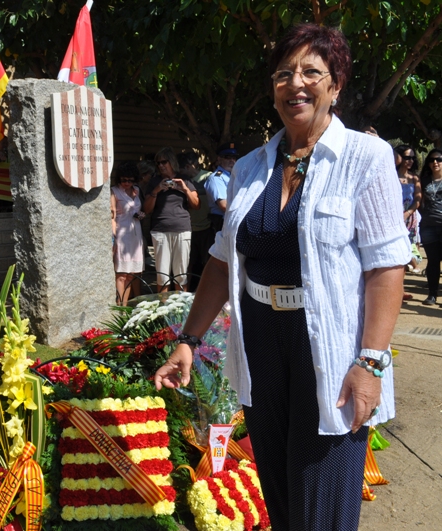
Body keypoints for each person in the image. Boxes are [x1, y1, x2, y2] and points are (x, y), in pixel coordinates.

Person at [153, 24, 409, 531]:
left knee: (324, 507)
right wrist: (189, 339)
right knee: (283, 501)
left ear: (335, 85)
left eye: (312, 72)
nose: (296, 83)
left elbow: (386, 268)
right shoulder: (251, 167)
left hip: (331, 353)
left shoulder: (365, 158)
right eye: (283, 74)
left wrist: (370, 362)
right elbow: (224, 261)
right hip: (263, 347)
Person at [143, 147, 199, 291]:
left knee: (181, 275)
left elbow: (196, 204)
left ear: (171, 162)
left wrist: (184, 189)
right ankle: (164, 311)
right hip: (160, 231)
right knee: (162, 276)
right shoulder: (154, 181)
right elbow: (147, 210)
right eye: (158, 163)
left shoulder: (184, 179)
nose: (160, 165)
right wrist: (157, 190)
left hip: (182, 230)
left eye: (164, 162)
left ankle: (180, 311)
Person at [178, 151, 214, 289]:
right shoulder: (182, 181)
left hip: (206, 227)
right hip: (188, 228)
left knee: (208, 262)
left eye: (181, 169)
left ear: (188, 166)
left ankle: (208, 290)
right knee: (188, 263)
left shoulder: (209, 178)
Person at [111, 162, 145, 305]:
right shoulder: (114, 191)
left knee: (132, 274)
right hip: (122, 235)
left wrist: (141, 215)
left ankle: (126, 304)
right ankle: (120, 305)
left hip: (136, 235)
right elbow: (111, 215)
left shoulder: (137, 190)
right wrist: (113, 238)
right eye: (123, 180)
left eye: (130, 180)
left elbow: (140, 210)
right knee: (121, 274)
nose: (126, 183)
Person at [394, 145, 422, 299]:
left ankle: (401, 289)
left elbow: (418, 199)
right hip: (392, 217)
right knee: (396, 253)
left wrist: (408, 213)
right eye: (406, 157)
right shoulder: (390, 175)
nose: (410, 161)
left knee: (406, 252)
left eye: (412, 157)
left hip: (409, 219)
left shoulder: (414, 178)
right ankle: (397, 288)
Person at [418, 148, 442, 306]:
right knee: (433, 261)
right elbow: (418, 201)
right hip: (428, 227)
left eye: (439, 159)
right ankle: (432, 295)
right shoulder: (424, 180)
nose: (435, 162)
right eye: (432, 160)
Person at [205, 142, 238, 232]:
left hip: (231, 224)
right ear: (219, 159)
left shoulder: (233, 177)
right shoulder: (216, 178)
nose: (232, 160)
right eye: (228, 157)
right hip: (221, 225)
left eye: (234, 158)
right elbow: (224, 205)